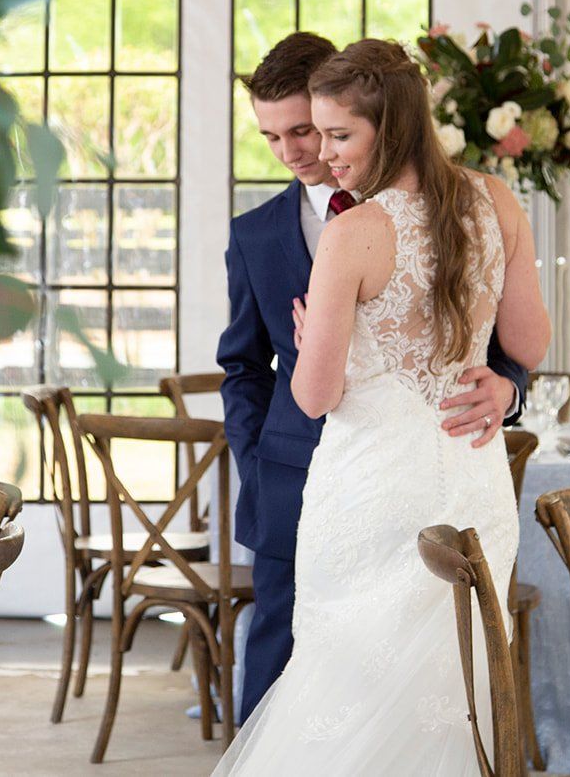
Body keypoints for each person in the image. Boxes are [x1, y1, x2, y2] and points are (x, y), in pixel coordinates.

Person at [214, 39, 550, 774]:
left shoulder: (354, 231)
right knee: (452, 676)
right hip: (468, 479)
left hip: (371, 485)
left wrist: (311, 341)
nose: (323, 153)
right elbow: (529, 338)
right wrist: (500, 375)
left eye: (339, 134)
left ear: (389, 126)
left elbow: (316, 393)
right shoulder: (497, 199)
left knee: (346, 679)